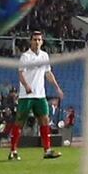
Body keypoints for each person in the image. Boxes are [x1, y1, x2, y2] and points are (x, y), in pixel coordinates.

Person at [8, 30, 64, 161]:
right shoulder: (25, 57)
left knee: (44, 120)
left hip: (40, 95)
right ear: (31, 41)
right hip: (26, 96)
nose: (37, 42)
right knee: (20, 122)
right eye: (35, 39)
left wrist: (57, 88)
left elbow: (48, 73)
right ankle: (13, 150)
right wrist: (27, 86)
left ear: (42, 41)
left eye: (39, 40)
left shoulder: (44, 56)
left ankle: (47, 150)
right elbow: (21, 73)